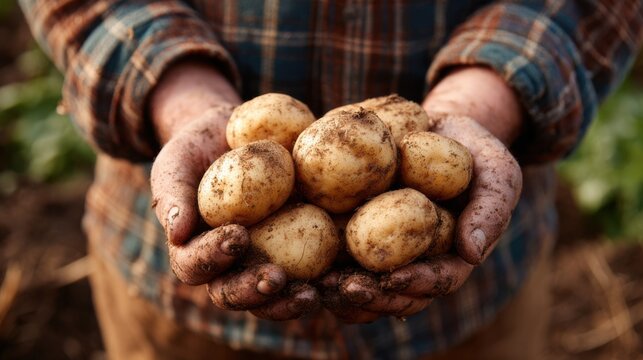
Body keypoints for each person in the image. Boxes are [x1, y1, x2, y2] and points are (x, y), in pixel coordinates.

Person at [19, 1, 642, 359]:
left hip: (471, 316)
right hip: (170, 307)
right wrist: (180, 94)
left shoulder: (406, 159)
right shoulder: (263, 156)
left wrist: (487, 100)